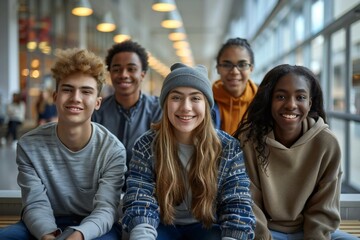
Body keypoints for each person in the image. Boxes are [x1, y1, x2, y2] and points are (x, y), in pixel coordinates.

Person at [0, 48, 127, 240]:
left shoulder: (112, 149)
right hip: (45, 222)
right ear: (55, 96)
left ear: (98, 102)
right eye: (67, 89)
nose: (75, 98)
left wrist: (78, 235)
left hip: (94, 226)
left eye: (86, 91)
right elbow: (35, 203)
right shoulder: (29, 145)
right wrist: (47, 235)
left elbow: (107, 209)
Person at [122, 63, 255, 240]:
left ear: (207, 105)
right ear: (165, 103)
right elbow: (140, 198)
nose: (186, 107)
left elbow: (237, 202)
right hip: (159, 225)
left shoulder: (228, 147)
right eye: (176, 98)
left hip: (208, 225)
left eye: (195, 98)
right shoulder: (147, 145)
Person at [233, 64, 357, 240]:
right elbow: (248, 204)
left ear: (310, 103)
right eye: (281, 96)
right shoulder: (248, 141)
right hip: (264, 232)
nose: (291, 104)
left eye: (300, 97)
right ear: (269, 101)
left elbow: (323, 209)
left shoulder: (326, 143)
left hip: (310, 232)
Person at [92, 40, 162, 172]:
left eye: (131, 69)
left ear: (143, 74)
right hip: (104, 187)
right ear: (110, 73)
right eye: (117, 69)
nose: (123, 75)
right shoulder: (97, 111)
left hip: (148, 187)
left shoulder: (158, 110)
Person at [212, 37, 258, 135]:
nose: (234, 72)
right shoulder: (206, 101)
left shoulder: (263, 101)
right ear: (218, 68)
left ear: (251, 68)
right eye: (227, 65)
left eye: (242, 64)